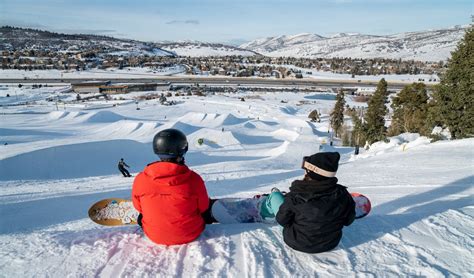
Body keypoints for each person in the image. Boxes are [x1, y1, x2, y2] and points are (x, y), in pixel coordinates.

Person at [132, 128, 210, 245]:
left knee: (141, 216)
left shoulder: (140, 179)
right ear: (182, 149)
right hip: (190, 233)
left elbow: (138, 207)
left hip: (154, 236)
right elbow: (203, 207)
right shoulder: (194, 179)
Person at [275, 152, 355, 253]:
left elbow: (282, 220)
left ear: (311, 172)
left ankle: (266, 203)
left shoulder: (295, 196)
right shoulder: (343, 194)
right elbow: (348, 221)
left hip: (297, 242)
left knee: (276, 197)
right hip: (331, 243)